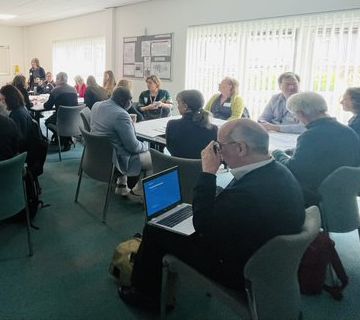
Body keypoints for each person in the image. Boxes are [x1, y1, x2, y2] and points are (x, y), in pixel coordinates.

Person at [120, 119, 305, 309]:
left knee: (155, 227)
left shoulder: (247, 194)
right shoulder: (278, 171)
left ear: (240, 148)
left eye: (219, 145)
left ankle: (145, 295)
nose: (216, 151)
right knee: (172, 225)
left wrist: (208, 172)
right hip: (264, 257)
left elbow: (202, 225)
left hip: (238, 269)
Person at [272, 91, 360, 207]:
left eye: (295, 115)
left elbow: (293, 169)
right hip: (342, 191)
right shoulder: (347, 131)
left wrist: (277, 153)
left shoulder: (311, 135)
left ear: (301, 114)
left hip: (315, 193)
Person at [90, 87, 152, 200]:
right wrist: (146, 147)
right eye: (130, 100)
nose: (131, 103)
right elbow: (133, 147)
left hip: (97, 156)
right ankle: (138, 192)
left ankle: (122, 185)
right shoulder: (121, 115)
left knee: (117, 142)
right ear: (123, 101)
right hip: (116, 160)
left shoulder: (96, 105)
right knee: (154, 158)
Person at [166, 90, 218, 159]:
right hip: (202, 168)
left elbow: (170, 148)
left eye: (178, 103)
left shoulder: (172, 125)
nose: (177, 106)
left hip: (178, 166)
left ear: (185, 106)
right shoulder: (213, 129)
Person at [43, 72, 79, 151]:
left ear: (60, 79)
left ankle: (62, 138)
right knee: (58, 119)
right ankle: (64, 139)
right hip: (73, 119)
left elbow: (48, 106)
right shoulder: (74, 89)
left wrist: (43, 103)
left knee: (47, 122)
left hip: (61, 119)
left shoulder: (55, 90)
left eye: (56, 79)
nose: (55, 81)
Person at [0, 85, 33, 151]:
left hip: (21, 150)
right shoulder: (20, 108)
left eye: (3, 99)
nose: (2, 102)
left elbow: (19, 138)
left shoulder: (17, 114)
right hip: (24, 146)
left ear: (10, 99)